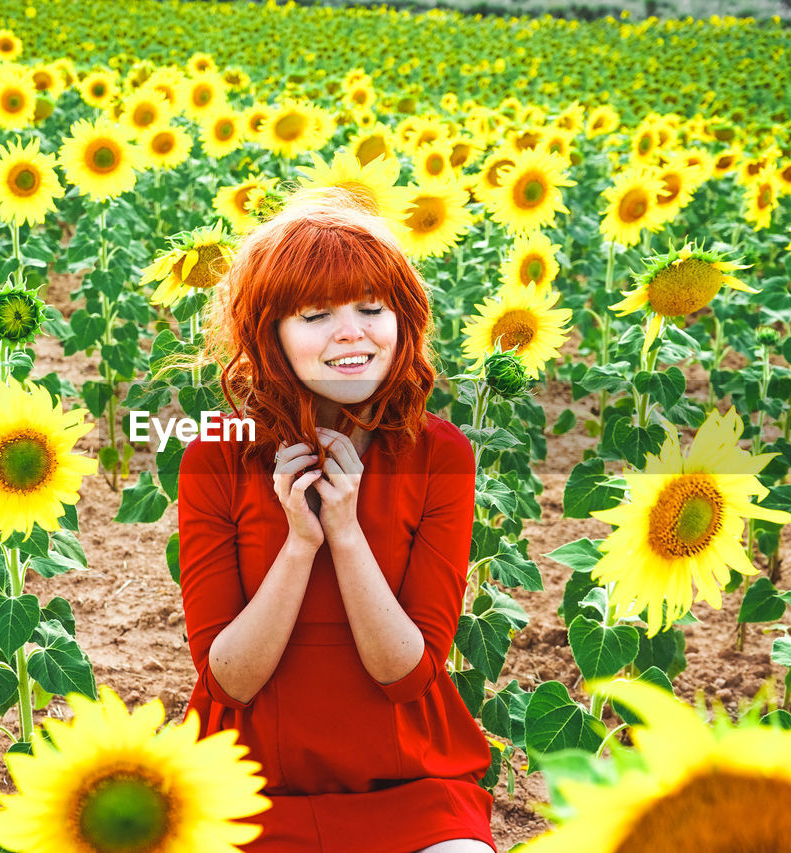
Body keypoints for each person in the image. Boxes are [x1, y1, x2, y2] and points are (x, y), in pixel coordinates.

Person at [178, 187, 496, 852]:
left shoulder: (439, 455)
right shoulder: (216, 456)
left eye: (372, 308)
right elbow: (229, 680)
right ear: (272, 334)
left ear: (402, 319)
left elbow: (406, 673)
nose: (352, 331)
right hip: (246, 786)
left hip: (409, 783)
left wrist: (346, 535)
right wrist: (301, 542)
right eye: (317, 313)